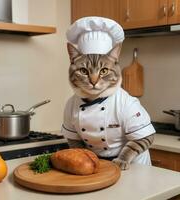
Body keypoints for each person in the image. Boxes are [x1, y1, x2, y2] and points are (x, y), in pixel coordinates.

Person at [61, 16, 155, 170]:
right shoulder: (71, 104)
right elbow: (73, 139)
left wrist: (124, 158)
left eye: (103, 71)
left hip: (133, 166)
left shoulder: (125, 103)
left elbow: (147, 136)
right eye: (84, 71)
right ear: (72, 62)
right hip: (96, 167)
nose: (93, 80)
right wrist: (84, 160)